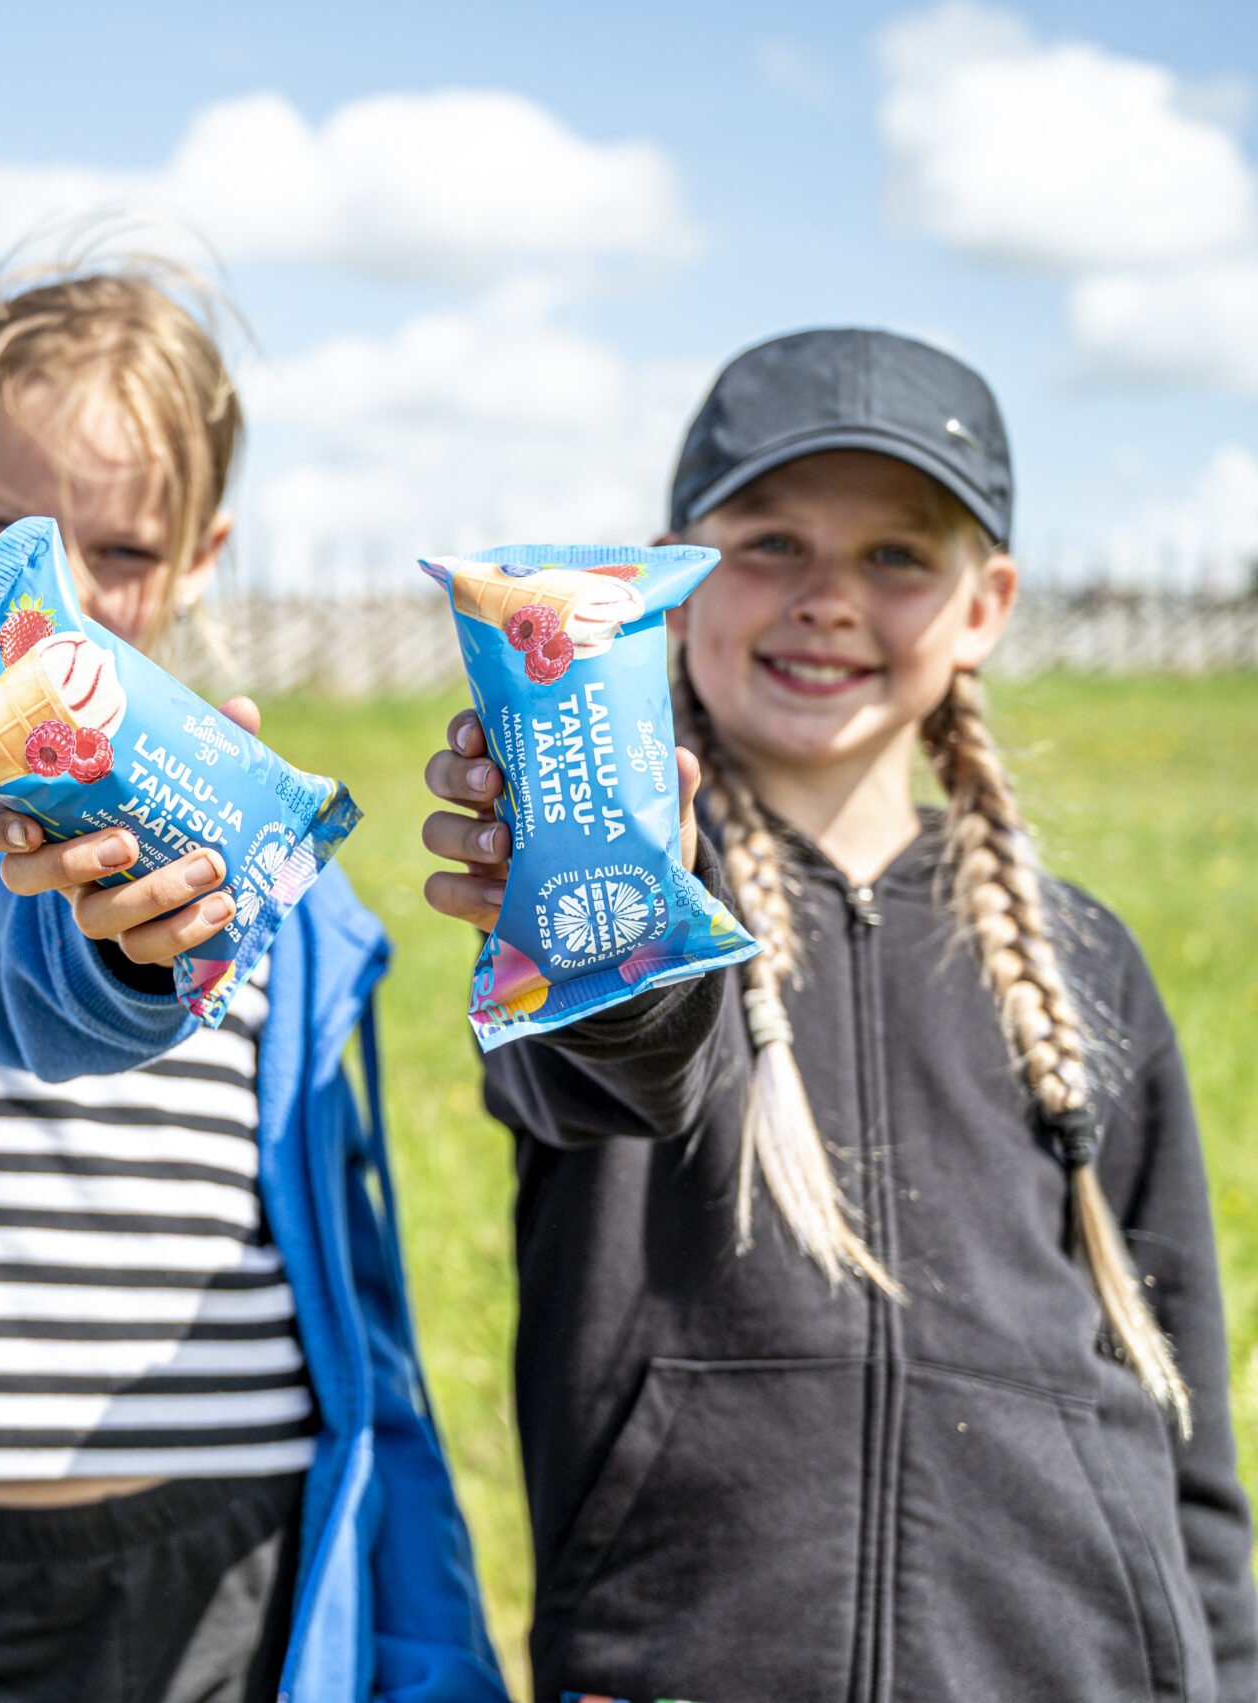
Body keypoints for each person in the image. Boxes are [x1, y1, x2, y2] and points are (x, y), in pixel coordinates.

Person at [420, 327, 1258, 1701]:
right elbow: (618, 1069)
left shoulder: (1085, 957)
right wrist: (596, 912)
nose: (827, 600)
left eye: (895, 557)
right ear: (674, 577)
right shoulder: (621, 908)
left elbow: (1191, 1449)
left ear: (986, 603)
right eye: (770, 544)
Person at [0, 263, 507, 1703]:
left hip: (248, 1574)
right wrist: (98, 940)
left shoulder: (290, 887)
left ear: (204, 554)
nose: (59, 609)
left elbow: (359, 1306)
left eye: (125, 552)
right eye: (6, 535)